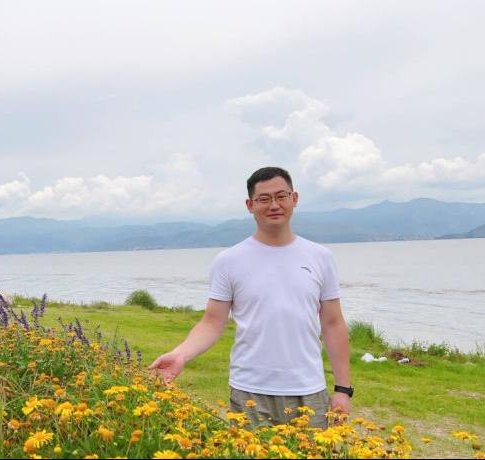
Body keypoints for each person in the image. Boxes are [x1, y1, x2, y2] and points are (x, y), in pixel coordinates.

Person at [148, 166, 352, 429]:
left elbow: (333, 323)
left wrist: (343, 389)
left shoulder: (320, 257)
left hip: (309, 389)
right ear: (250, 205)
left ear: (294, 199)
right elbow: (212, 322)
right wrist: (180, 355)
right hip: (250, 391)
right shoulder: (229, 260)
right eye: (264, 199)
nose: (274, 205)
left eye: (281, 196)